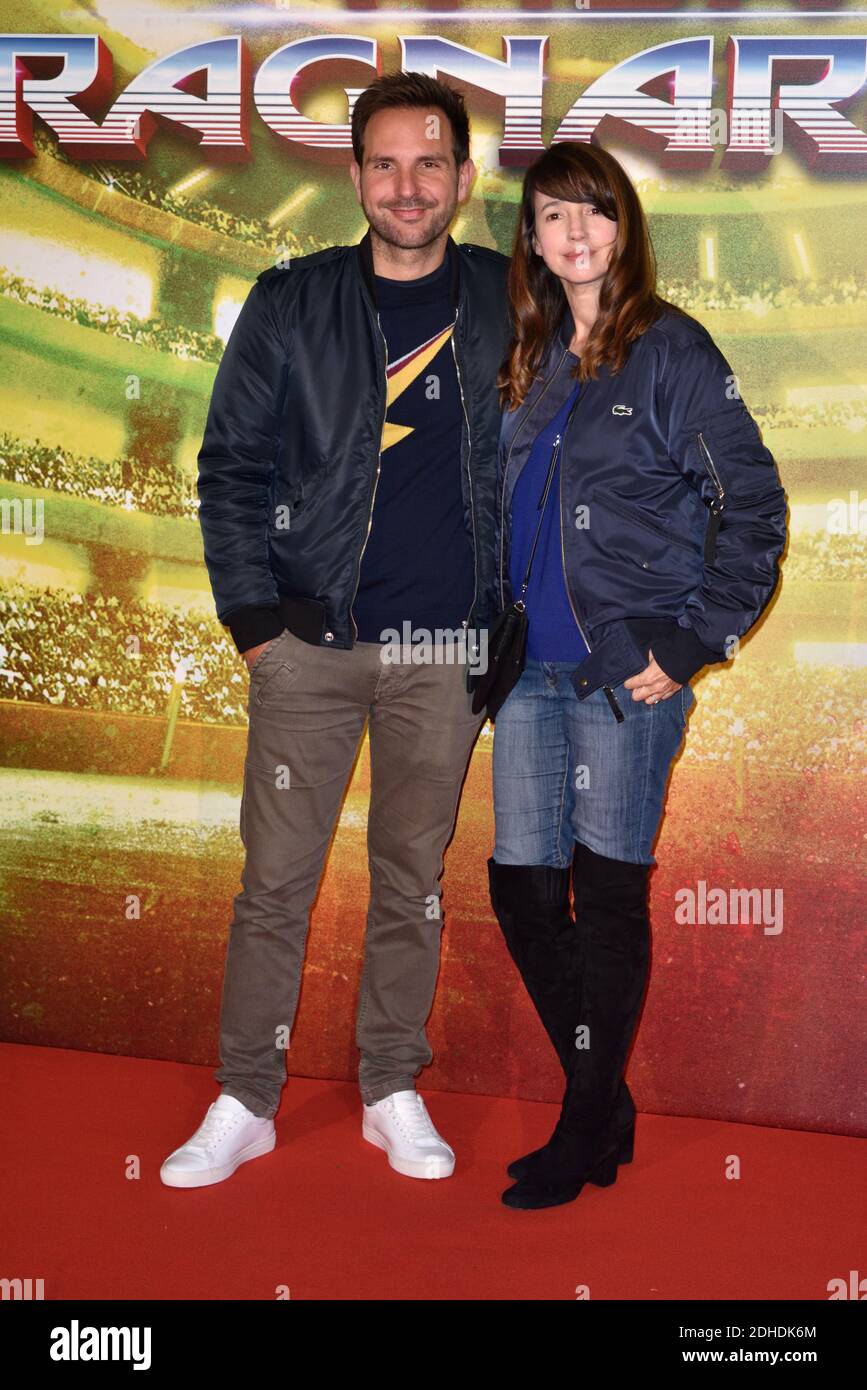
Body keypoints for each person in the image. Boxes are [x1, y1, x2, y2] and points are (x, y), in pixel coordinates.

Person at [161, 73, 511, 1188]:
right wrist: (256, 621)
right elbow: (229, 470)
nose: (408, 185)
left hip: (443, 655)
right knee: (275, 885)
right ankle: (245, 1098)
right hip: (306, 649)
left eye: (430, 162)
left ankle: (391, 1085)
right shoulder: (291, 301)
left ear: (462, 175)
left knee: (412, 875)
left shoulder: (514, 297)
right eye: (386, 163)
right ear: (354, 175)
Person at [486, 141, 787, 1210]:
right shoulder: (529, 350)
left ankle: (582, 1123)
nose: (575, 232)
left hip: (627, 677)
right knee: (520, 886)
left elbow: (754, 507)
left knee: (607, 896)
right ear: (530, 235)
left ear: (624, 228)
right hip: (528, 673)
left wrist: (693, 639)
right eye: (553, 214)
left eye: (595, 212)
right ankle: (604, 1099)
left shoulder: (674, 351)